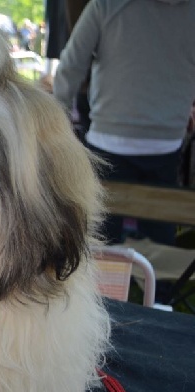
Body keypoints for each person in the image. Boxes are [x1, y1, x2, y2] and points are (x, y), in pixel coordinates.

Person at [53, 0, 195, 246]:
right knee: (159, 236)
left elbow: (71, 65)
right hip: (166, 142)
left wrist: (58, 118)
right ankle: (157, 283)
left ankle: (106, 282)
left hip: (109, 139)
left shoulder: (107, 5)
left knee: (101, 238)